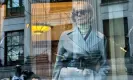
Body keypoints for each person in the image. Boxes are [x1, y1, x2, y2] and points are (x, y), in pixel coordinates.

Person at [52, 0, 110, 80]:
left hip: (89, 76)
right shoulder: (65, 36)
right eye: (76, 13)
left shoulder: (100, 38)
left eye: (82, 12)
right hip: (67, 76)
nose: (79, 15)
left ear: (89, 14)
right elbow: (58, 63)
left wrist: (98, 78)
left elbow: (105, 65)